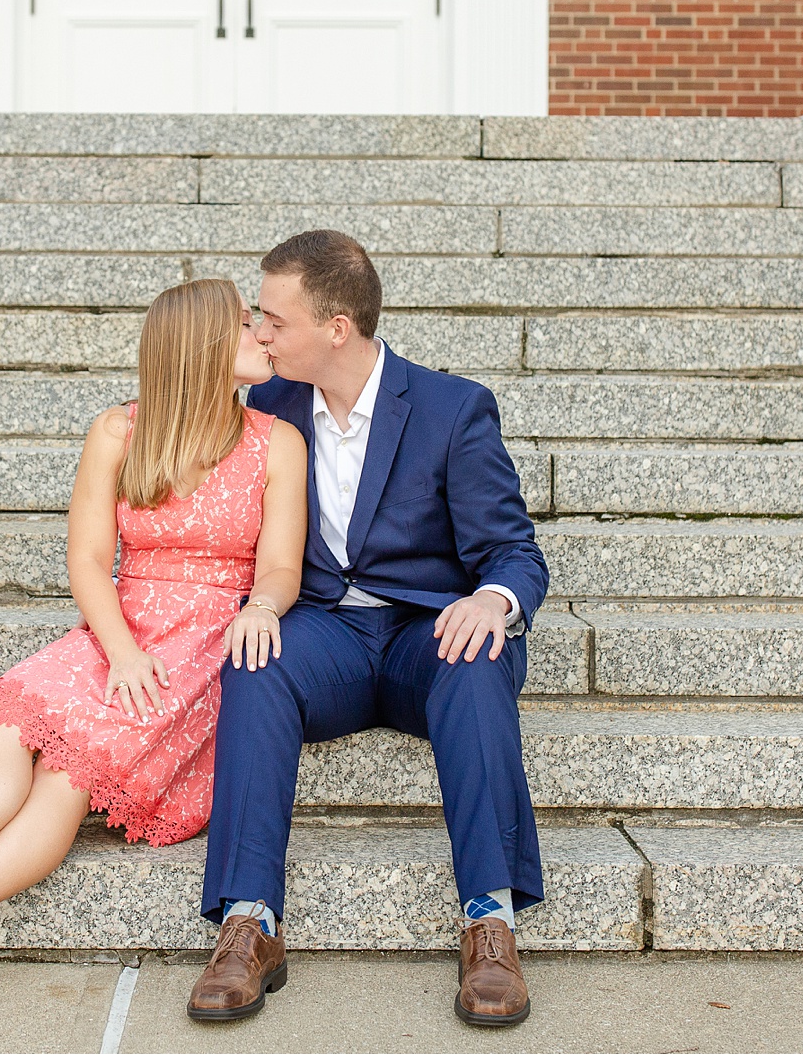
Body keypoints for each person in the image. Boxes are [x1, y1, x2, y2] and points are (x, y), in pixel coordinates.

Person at [0, 278, 308, 1010]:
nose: (263, 337)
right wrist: (119, 649)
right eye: (247, 327)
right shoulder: (119, 431)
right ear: (204, 348)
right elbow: (88, 561)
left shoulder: (278, 442)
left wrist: (263, 606)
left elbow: (279, 565)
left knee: (71, 773)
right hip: (121, 625)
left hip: (209, 640)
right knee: (8, 712)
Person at [189, 230, 549, 1028]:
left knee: (480, 654)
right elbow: (182, 439)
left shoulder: (454, 408)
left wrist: (493, 601)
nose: (258, 333)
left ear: (336, 328)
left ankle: (490, 923)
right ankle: (250, 924)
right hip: (329, 641)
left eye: (273, 320)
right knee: (255, 663)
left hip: (429, 638)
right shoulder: (269, 404)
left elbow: (514, 551)